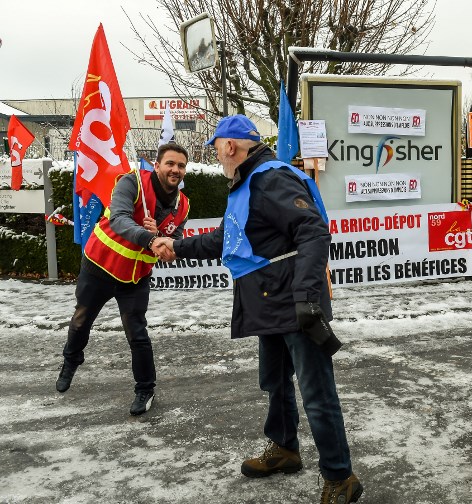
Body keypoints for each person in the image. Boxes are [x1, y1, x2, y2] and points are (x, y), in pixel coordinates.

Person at [154, 114, 363, 504]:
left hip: (292, 301)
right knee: (275, 382)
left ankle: (340, 478)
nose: (216, 155)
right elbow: (226, 238)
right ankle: (285, 448)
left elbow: (313, 230)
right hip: (268, 299)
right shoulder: (248, 183)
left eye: (216, 147)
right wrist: (176, 246)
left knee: (317, 393)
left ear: (230, 146)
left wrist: (305, 297)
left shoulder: (270, 179)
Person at [55, 143, 190, 416]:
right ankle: (71, 359)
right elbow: (118, 220)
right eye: (171, 163)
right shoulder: (132, 182)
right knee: (81, 321)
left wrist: (169, 247)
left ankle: (145, 389)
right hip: (99, 267)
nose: (176, 170)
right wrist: (151, 238)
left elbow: (175, 240)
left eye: (181, 166)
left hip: (135, 278)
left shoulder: (183, 205)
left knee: (137, 334)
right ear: (157, 164)